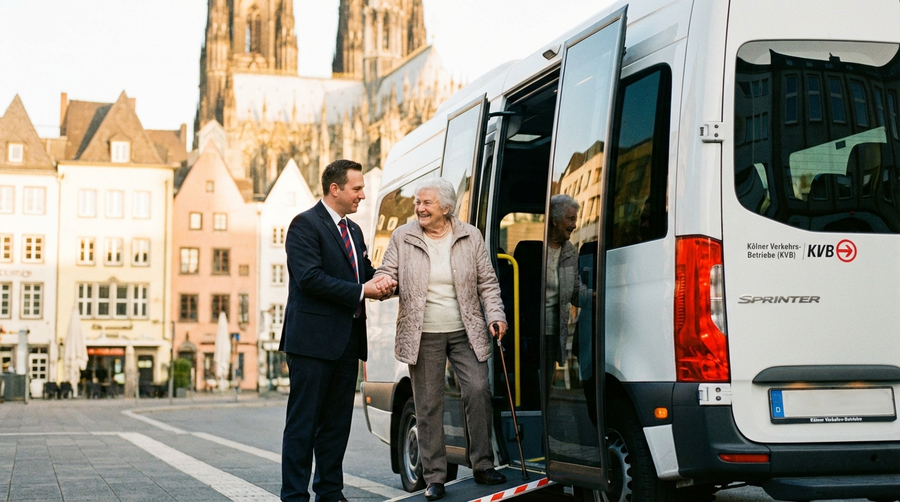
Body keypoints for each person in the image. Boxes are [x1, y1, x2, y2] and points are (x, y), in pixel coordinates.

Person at [375, 177, 508, 501]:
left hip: (466, 329)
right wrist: (384, 282)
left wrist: (496, 315)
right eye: (418, 202)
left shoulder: (469, 235)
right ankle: (434, 475)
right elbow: (386, 270)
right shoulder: (403, 236)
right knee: (429, 403)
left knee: (478, 389)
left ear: (446, 208)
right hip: (424, 332)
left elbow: (487, 283)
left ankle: (482, 463)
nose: (419, 208)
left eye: (426, 203)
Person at [279, 159, 396, 502]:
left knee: (336, 426)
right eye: (357, 189)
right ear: (335, 189)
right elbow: (310, 278)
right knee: (303, 425)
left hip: (346, 342)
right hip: (312, 344)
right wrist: (363, 290)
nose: (363, 195)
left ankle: (330, 492)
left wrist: (385, 280)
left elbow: (365, 272)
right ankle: (294, 496)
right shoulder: (304, 225)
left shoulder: (354, 230)